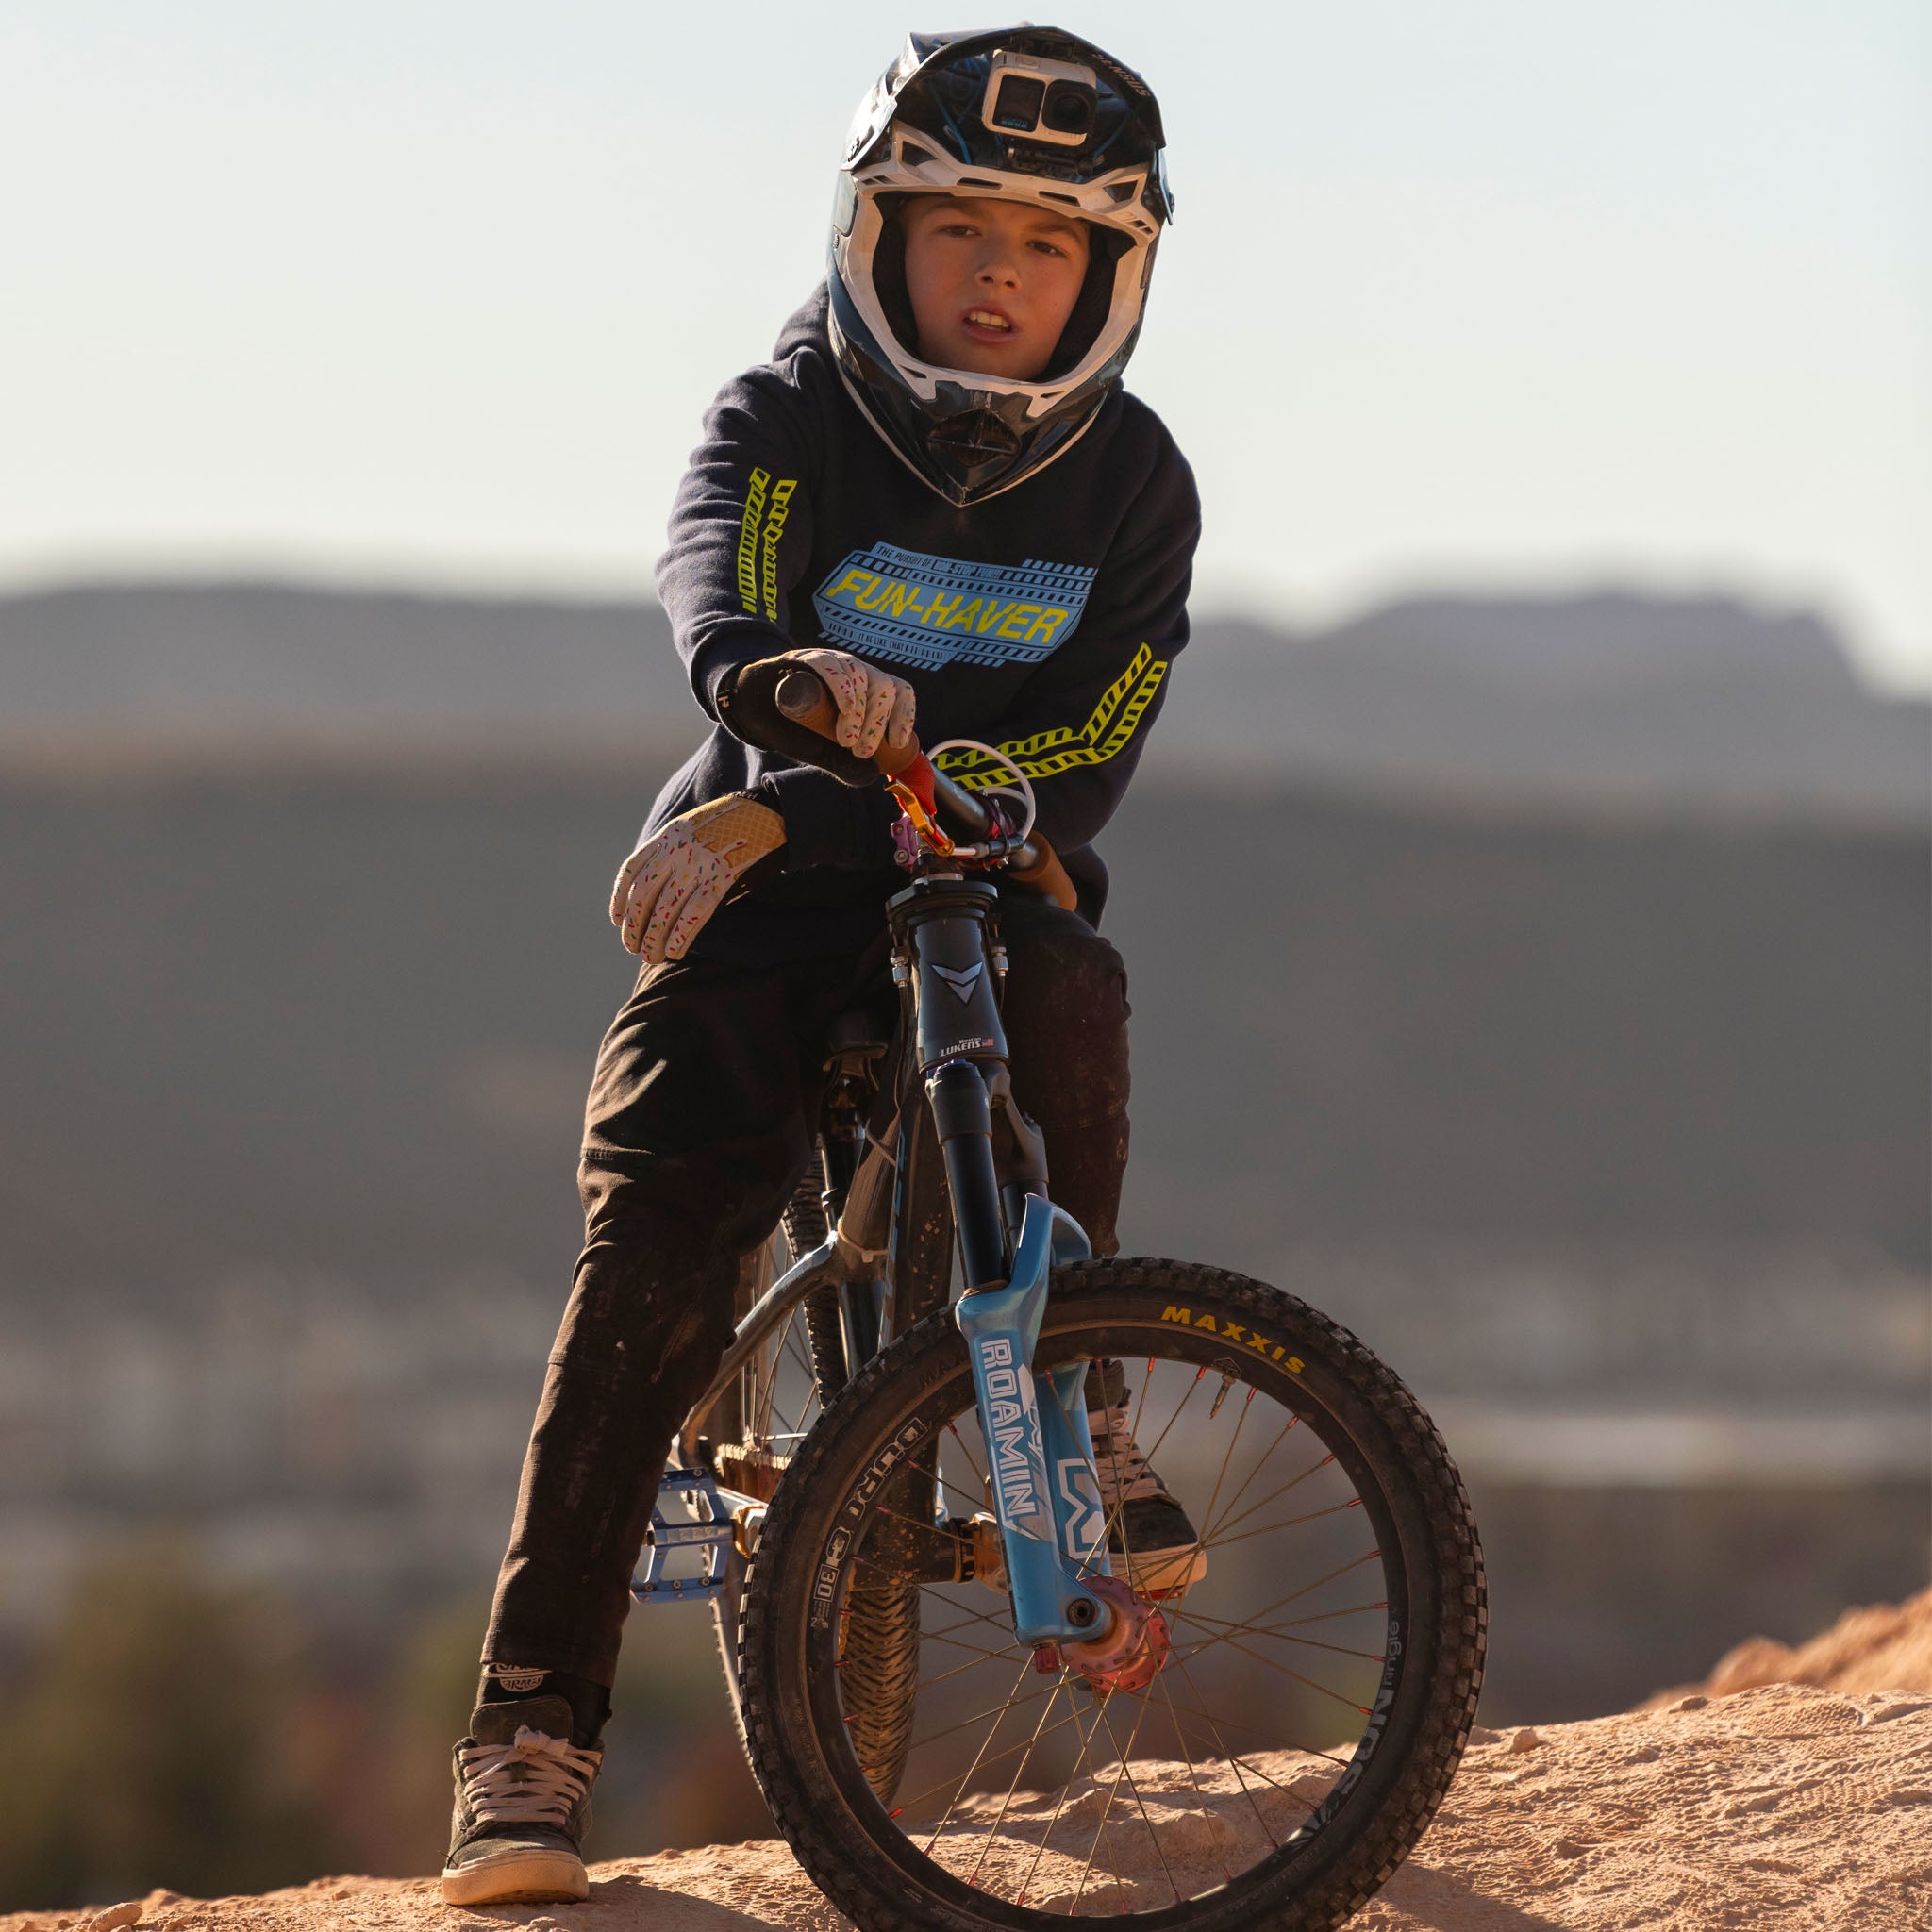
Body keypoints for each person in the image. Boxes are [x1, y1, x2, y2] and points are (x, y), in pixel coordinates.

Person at [441, 25, 1201, 1907]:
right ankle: (527, 1740)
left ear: (1113, 271)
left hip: (943, 873)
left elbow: (1074, 760)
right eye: (958, 229)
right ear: (877, 239)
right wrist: (771, 698)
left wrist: (801, 810)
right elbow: (717, 586)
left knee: (1071, 990)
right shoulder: (786, 413)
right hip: (758, 894)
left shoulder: (1137, 486)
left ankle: (1078, 1396)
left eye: (1049, 239)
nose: (1000, 271)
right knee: (653, 1255)